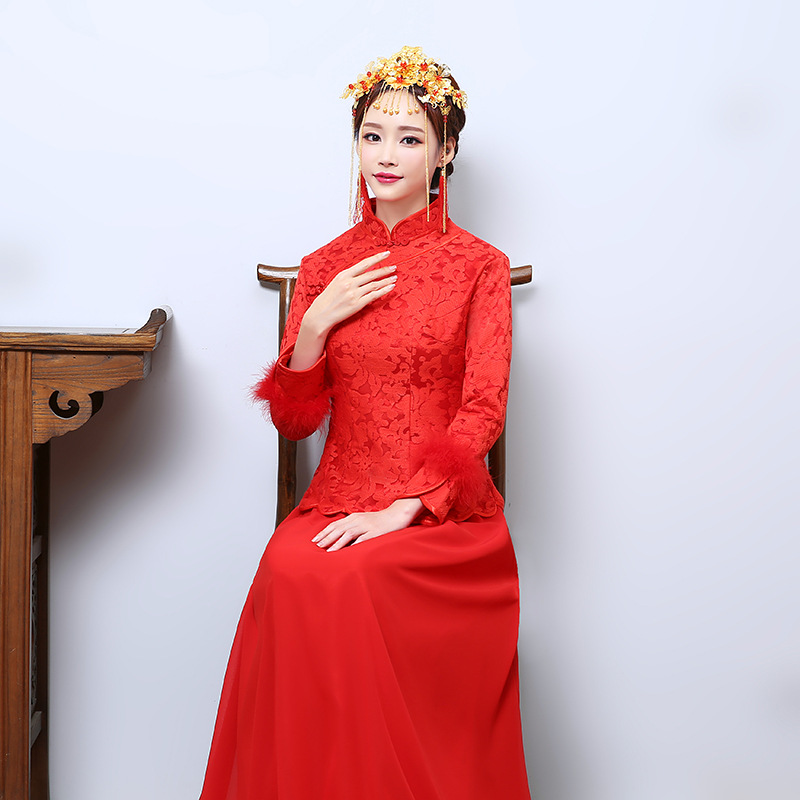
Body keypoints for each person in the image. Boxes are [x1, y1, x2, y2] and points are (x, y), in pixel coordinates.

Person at [199, 46, 532, 800]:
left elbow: (484, 405)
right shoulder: (326, 266)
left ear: (445, 152)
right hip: (338, 499)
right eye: (372, 135)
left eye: (410, 138)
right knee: (290, 570)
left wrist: (404, 508)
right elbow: (294, 423)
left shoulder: (479, 266)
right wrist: (313, 323)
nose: (386, 155)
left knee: (359, 579)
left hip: (441, 515)